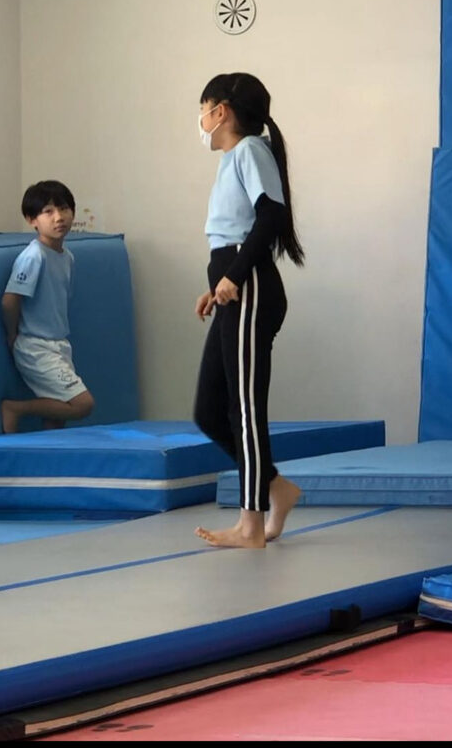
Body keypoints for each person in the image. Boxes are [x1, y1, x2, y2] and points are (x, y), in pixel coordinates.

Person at [193, 72, 304, 550]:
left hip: (250, 286)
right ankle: (276, 487)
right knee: (208, 410)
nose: (200, 120)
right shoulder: (232, 160)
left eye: (203, 109)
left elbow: (270, 216)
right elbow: (230, 231)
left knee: (244, 408)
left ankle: (251, 525)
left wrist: (235, 276)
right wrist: (216, 284)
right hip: (235, 286)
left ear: (220, 111)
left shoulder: (251, 151)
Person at [0, 180, 94, 434]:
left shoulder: (67, 257)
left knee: (57, 417)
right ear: (32, 220)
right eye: (48, 212)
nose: (58, 217)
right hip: (35, 346)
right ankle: (15, 409)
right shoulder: (34, 256)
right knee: (82, 404)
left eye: (64, 209)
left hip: (59, 343)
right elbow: (10, 300)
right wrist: (13, 334)